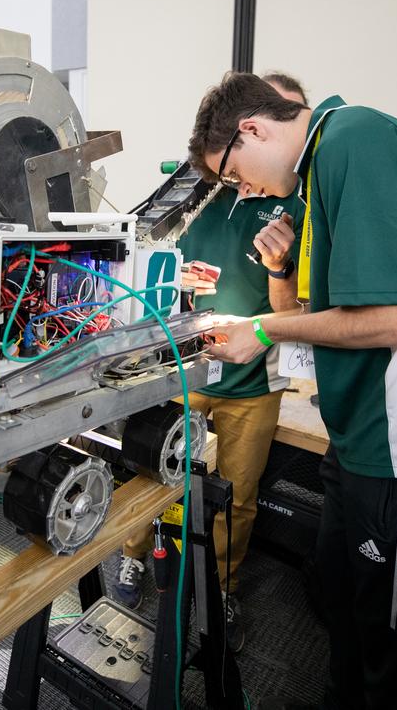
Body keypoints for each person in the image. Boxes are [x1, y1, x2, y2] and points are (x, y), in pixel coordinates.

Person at [192, 72, 397, 708]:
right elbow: (333, 312)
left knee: (393, 637)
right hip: (368, 433)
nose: (244, 190)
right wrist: (275, 305)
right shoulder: (328, 161)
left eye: (233, 176)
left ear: (250, 130)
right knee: (343, 597)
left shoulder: (353, 142)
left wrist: (259, 327)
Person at [115, 73, 307, 653]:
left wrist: (274, 280)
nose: (236, 176)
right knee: (153, 470)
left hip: (255, 381)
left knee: (237, 494)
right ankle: (131, 556)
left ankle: (222, 585)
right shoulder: (205, 192)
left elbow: (298, 309)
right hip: (186, 366)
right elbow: (149, 246)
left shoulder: (302, 203)